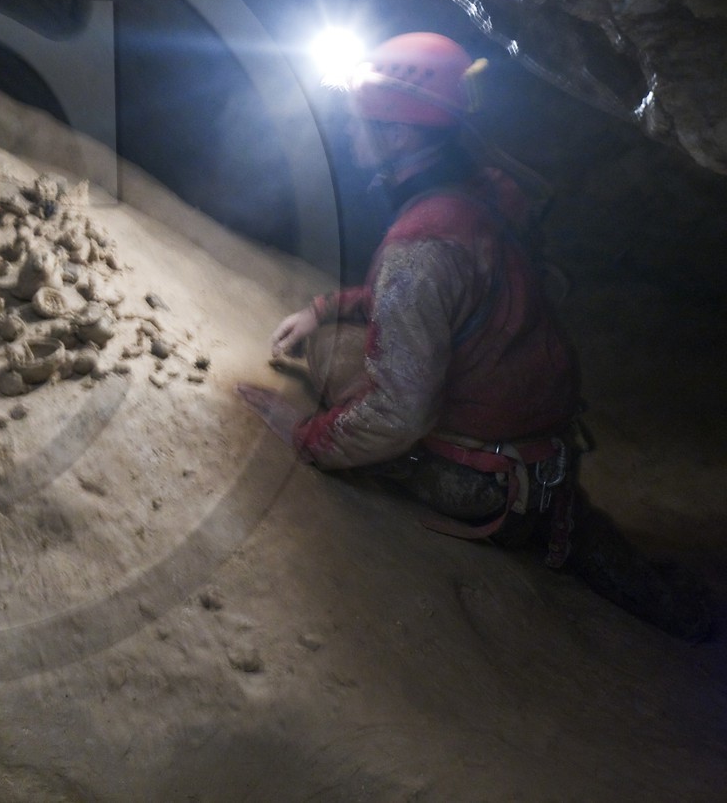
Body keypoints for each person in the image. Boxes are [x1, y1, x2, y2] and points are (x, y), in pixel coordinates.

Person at [236, 32, 713, 641]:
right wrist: (326, 306)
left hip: (483, 482)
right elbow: (447, 293)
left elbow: (398, 409)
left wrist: (305, 435)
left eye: (360, 120)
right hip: (544, 454)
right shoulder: (491, 190)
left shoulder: (419, 247)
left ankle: (517, 517)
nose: (350, 130)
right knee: (345, 334)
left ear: (399, 136)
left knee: (335, 355)